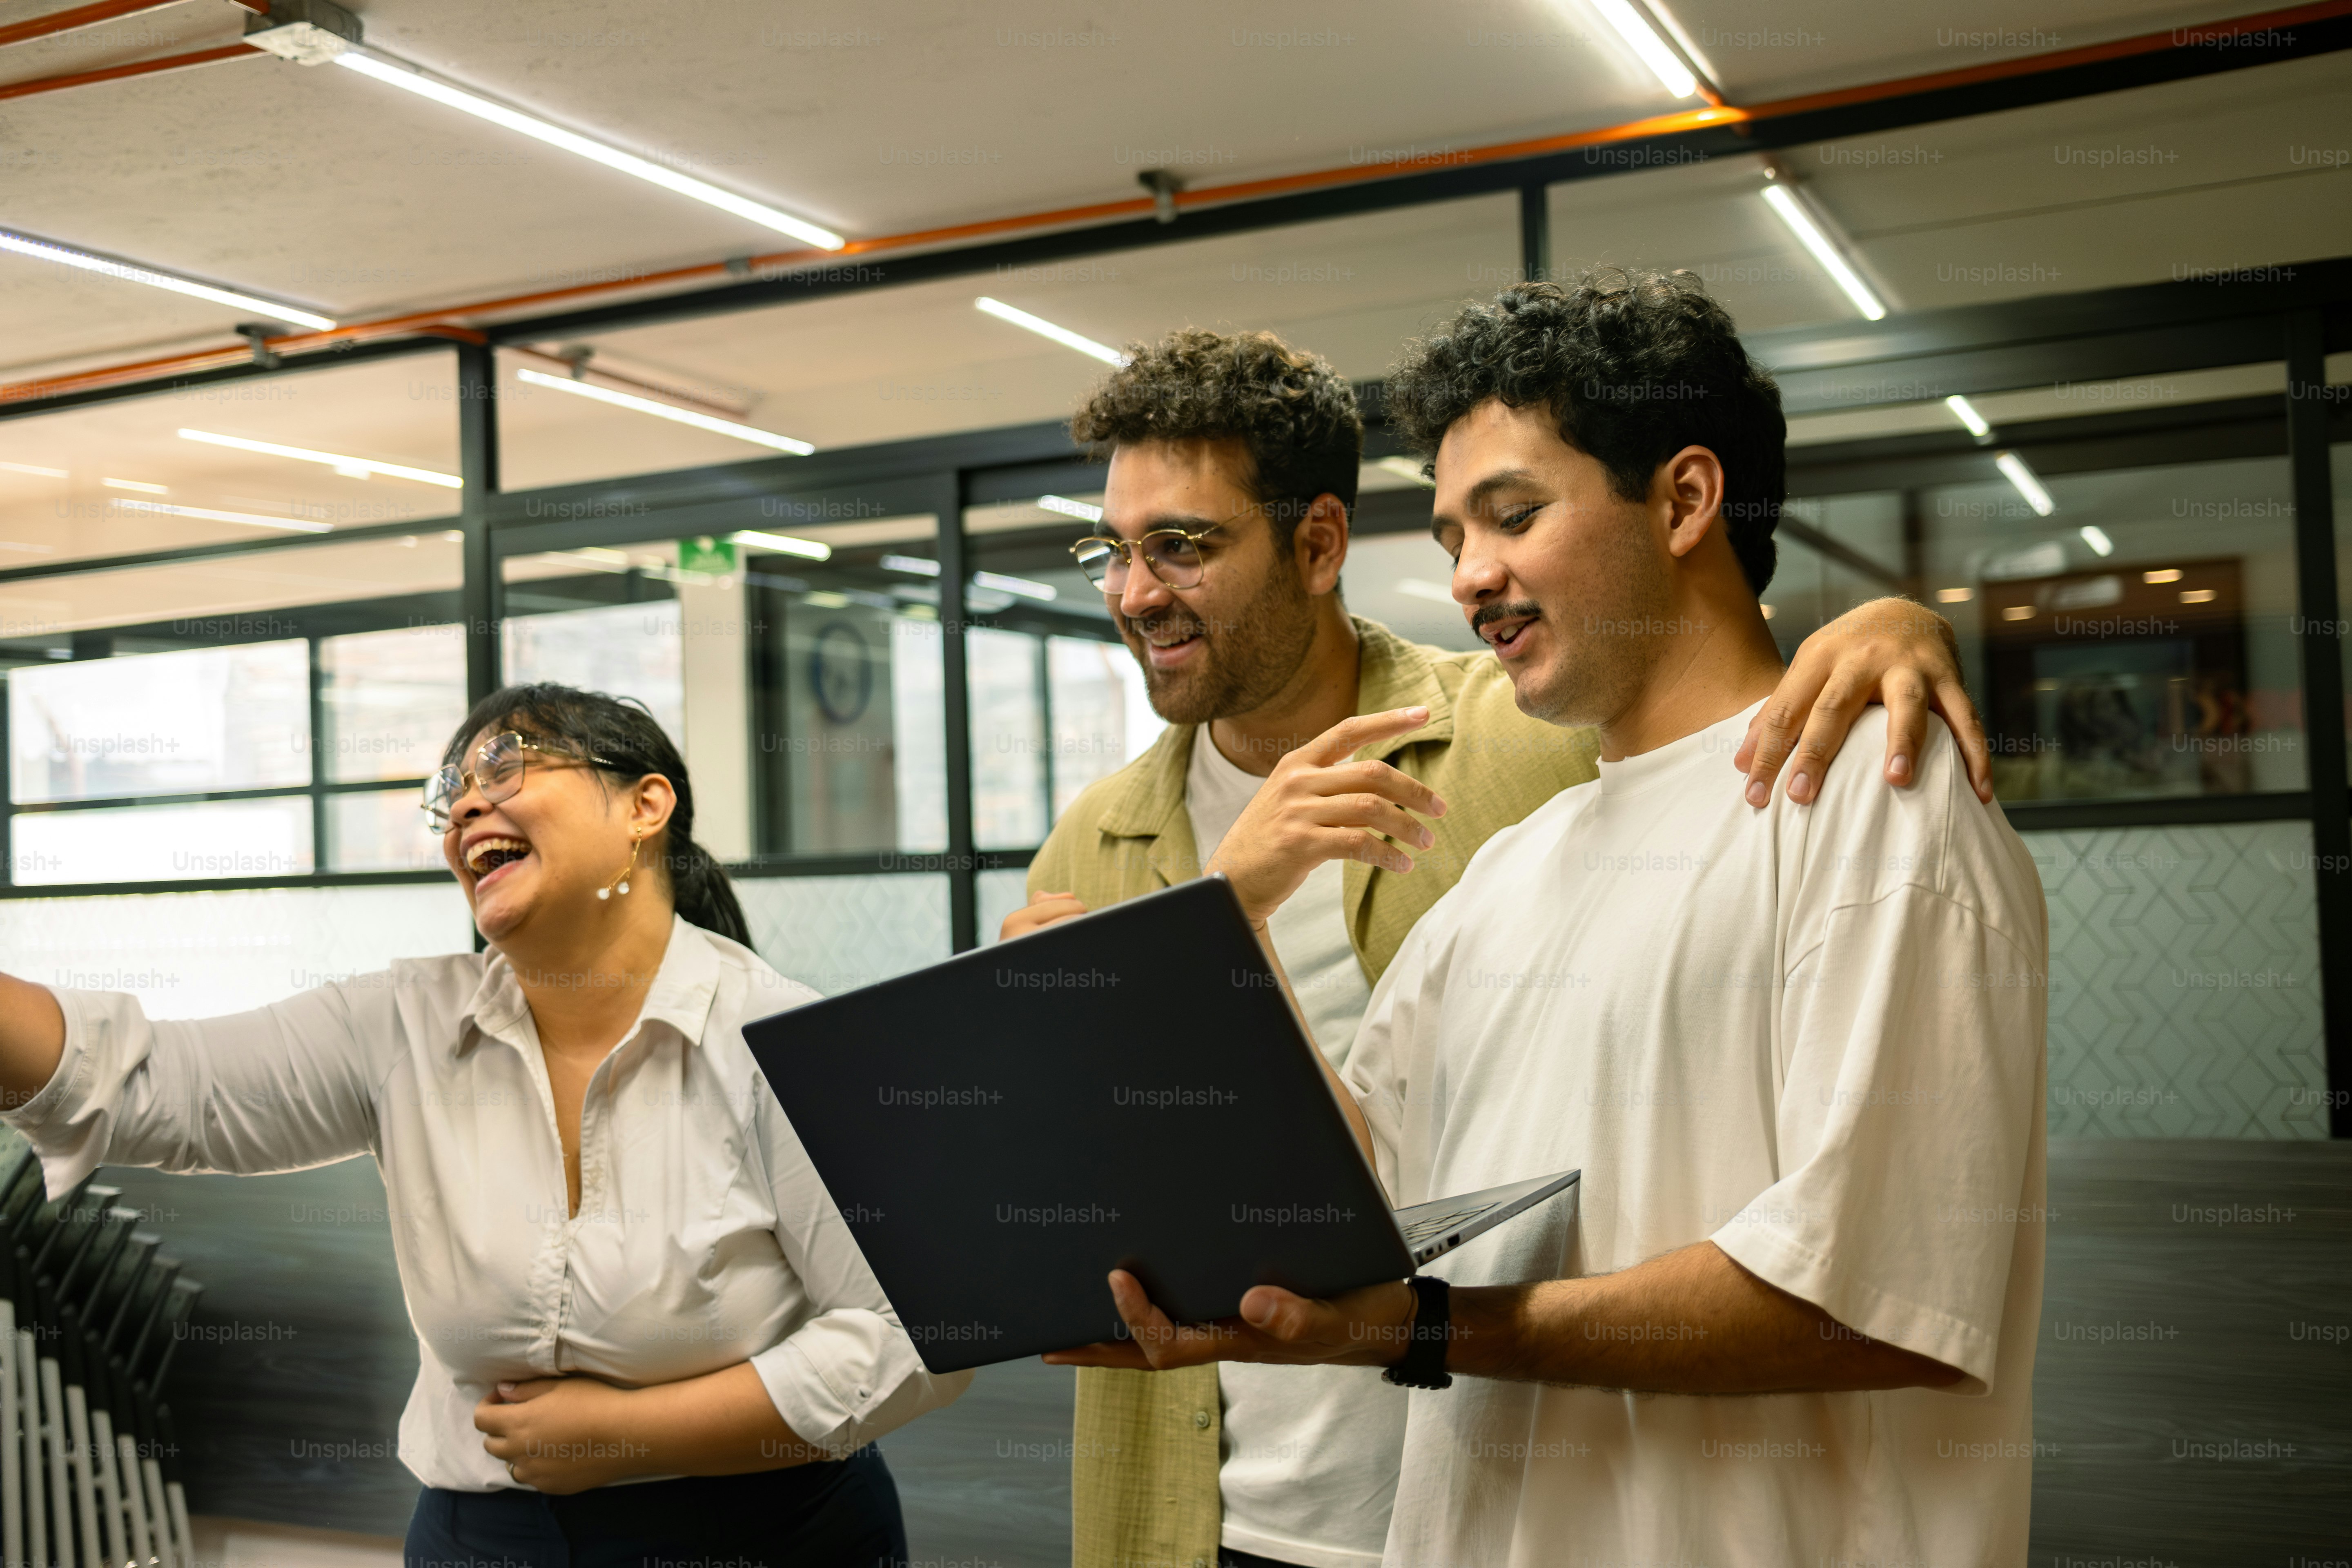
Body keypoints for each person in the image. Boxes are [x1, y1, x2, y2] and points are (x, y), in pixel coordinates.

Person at [1044, 271, 2049, 1567]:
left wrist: (1423, 1329)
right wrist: (1186, 970)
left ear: (1686, 500)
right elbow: (1365, 1188)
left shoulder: (1871, 805)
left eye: (1512, 517)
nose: (1470, 576)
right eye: (1455, 534)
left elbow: (1874, 1299)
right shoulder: (1516, 870)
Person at [0, 684, 969, 1568]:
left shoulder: (777, 1038)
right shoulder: (401, 1025)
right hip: (485, 1542)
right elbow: (150, 1085)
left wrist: (634, 1435)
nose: (465, 807)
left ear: (645, 806)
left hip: (770, 1535)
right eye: (451, 794)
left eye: (506, 766)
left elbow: (915, 1336)